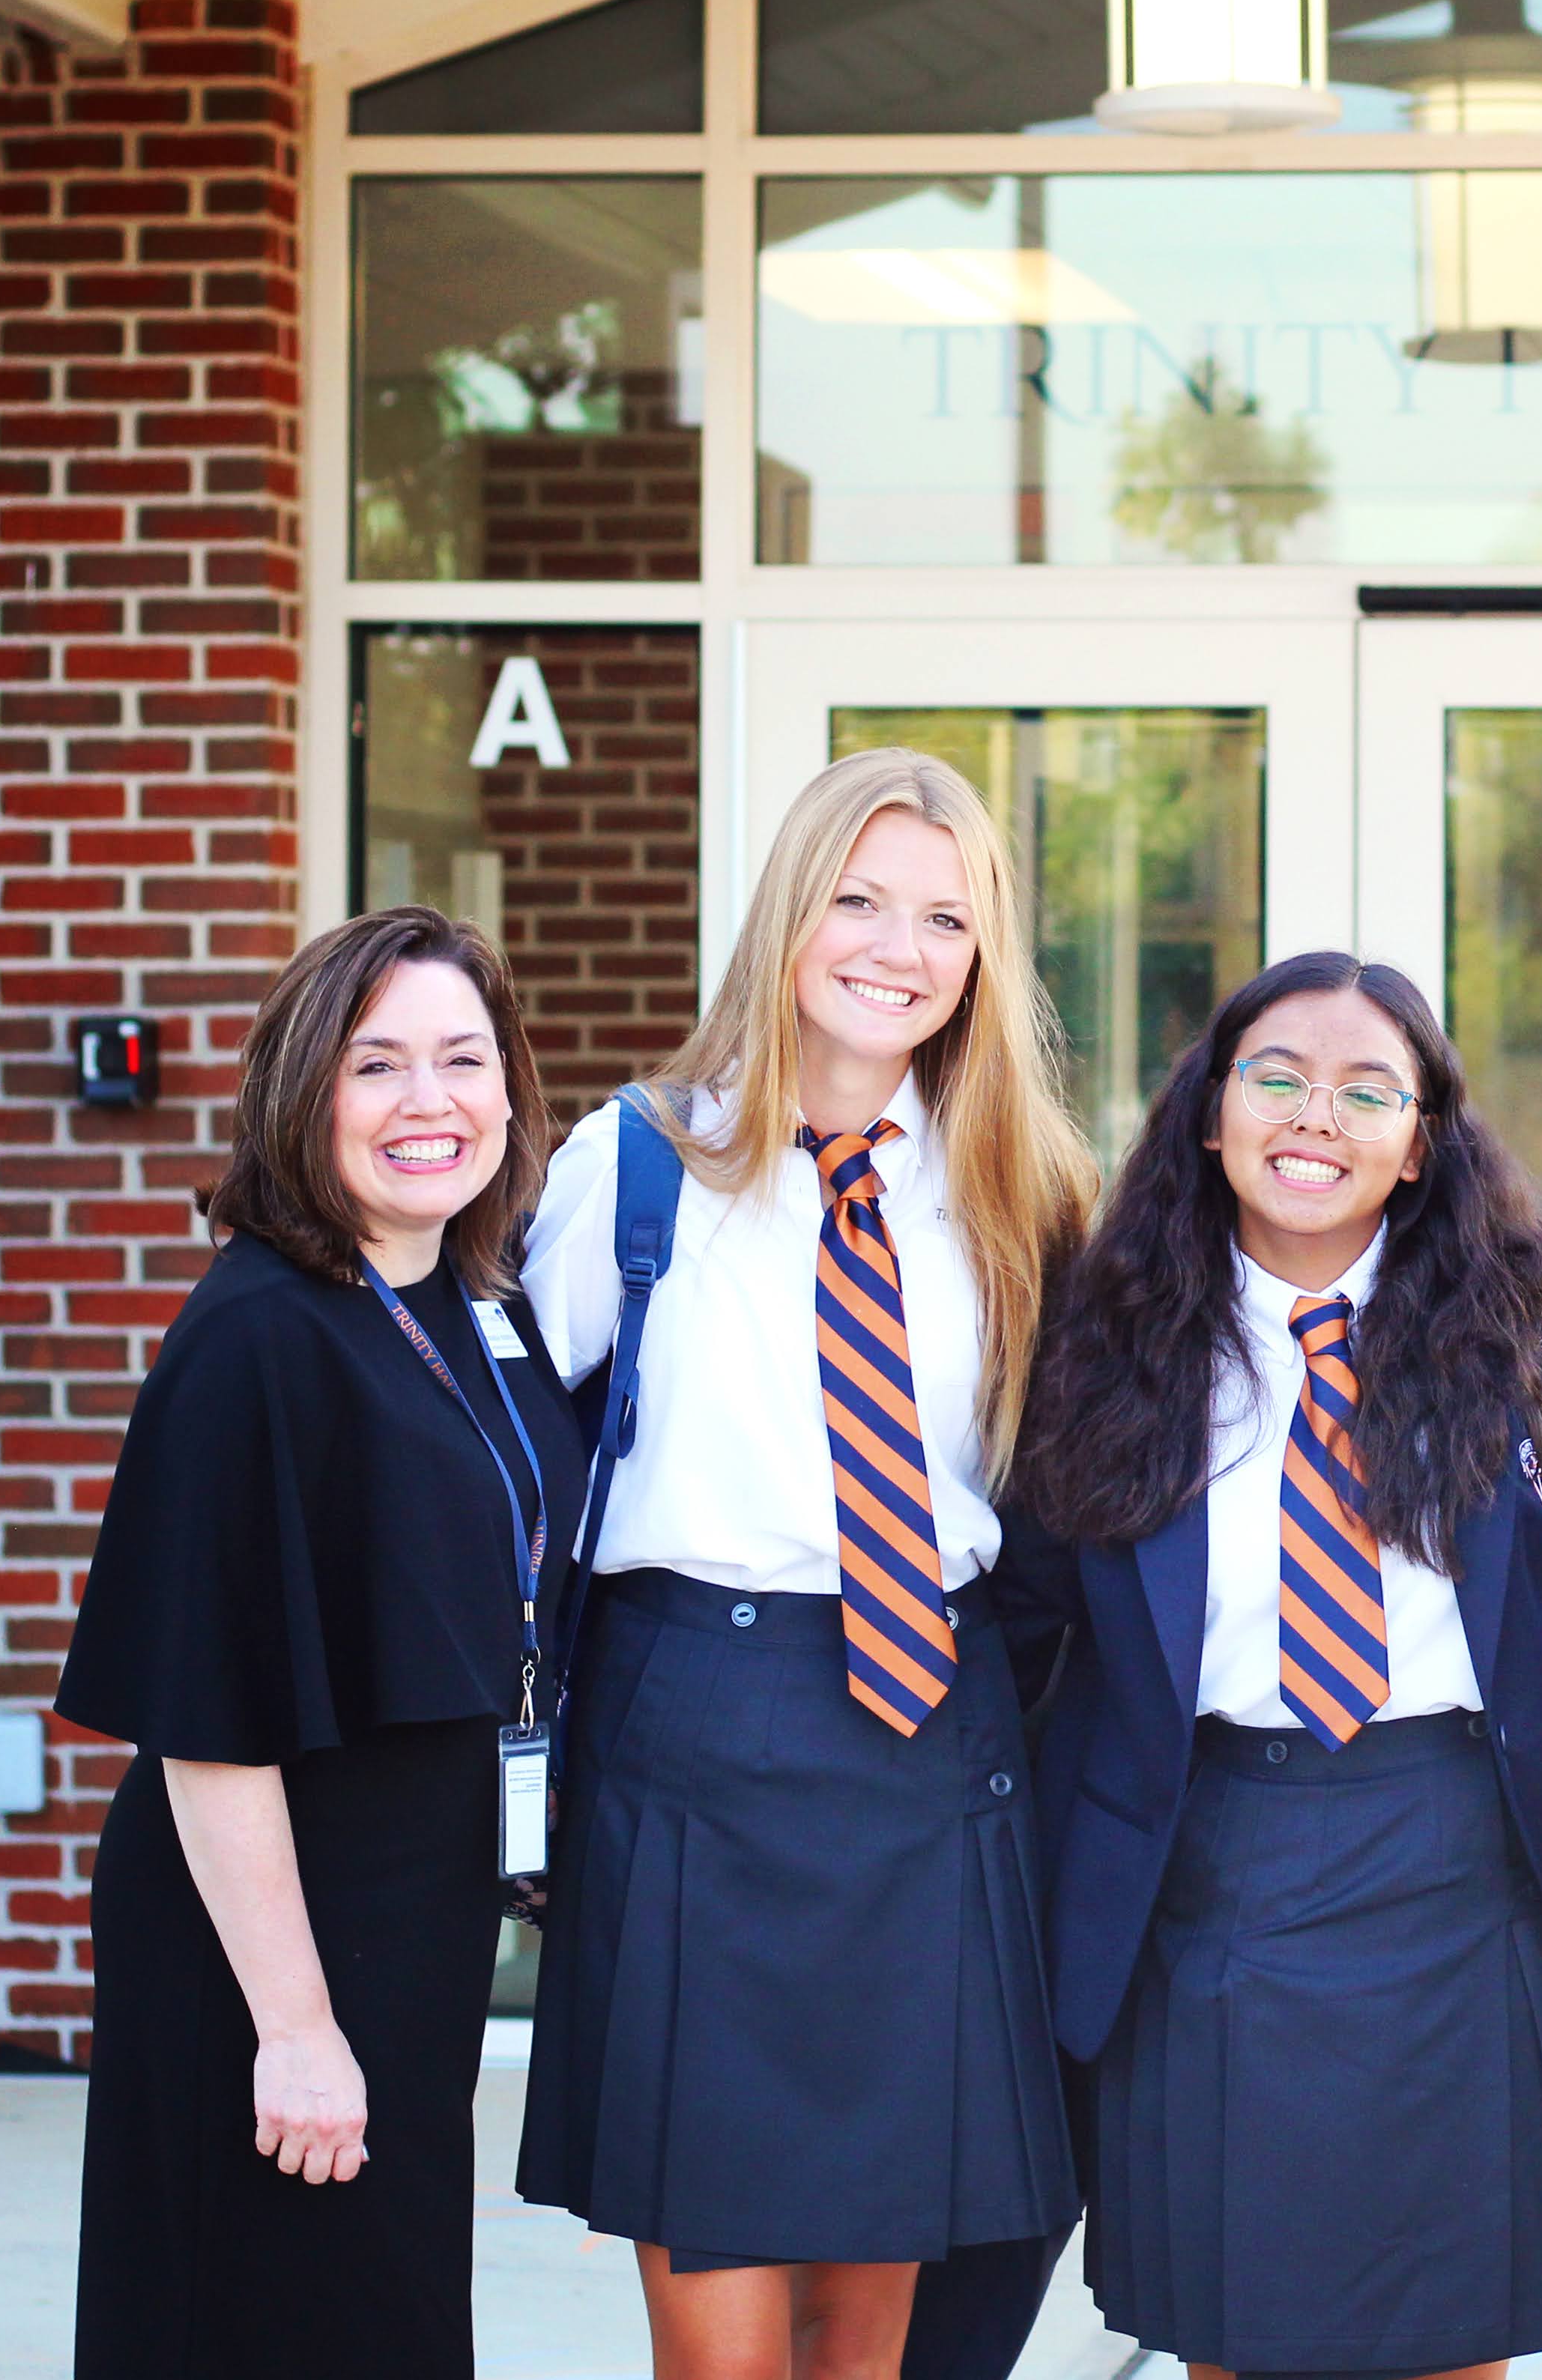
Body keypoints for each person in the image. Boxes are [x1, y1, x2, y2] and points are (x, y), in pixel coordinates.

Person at [1000, 948, 1542, 2380]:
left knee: (1457, 2337)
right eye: (1278, 1077)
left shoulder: (1536, 1323)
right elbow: (1023, 1615)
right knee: (1235, 2335)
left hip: (1473, 1872)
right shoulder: (1110, 1335)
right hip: (1205, 1877)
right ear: (1211, 1113)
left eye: (1367, 1090)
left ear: (1420, 1142)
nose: (1316, 1116)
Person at [514, 747, 1096, 2380]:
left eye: (946, 918)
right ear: (788, 912)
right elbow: (502, 1457)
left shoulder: (1021, 1189)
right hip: (697, 1726)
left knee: (870, 2331)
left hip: (928, 1734)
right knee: (721, 2332)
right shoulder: (636, 1165)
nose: (898, 949)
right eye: (859, 901)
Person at [57, 907, 584, 2379]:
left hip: (407, 1928)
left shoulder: (466, 1300)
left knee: (378, 2322)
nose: (432, 1100)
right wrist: (293, 2026)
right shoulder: (256, 1337)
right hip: (268, 1943)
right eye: (379, 1064)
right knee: (269, 2324)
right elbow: (207, 1727)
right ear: (307, 1090)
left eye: (464, 1059)